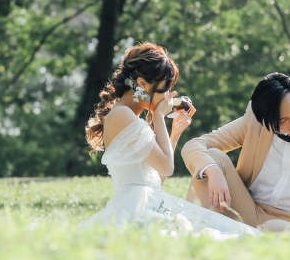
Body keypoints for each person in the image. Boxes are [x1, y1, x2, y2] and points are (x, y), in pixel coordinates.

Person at [80, 43, 261, 238]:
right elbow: (167, 167)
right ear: (142, 84)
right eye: (165, 89)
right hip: (134, 206)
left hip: (149, 201)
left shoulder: (130, 117)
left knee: (230, 230)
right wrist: (158, 117)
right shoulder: (122, 115)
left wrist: (174, 134)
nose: (168, 96)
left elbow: (157, 178)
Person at [182, 72, 290, 229]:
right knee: (212, 157)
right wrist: (213, 171)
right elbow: (196, 144)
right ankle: (189, 232)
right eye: (282, 120)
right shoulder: (256, 122)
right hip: (246, 208)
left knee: (283, 231)